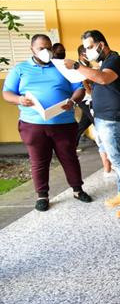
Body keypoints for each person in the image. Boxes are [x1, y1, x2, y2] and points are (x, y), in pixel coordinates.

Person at [2, 34, 92, 211]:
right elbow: (7, 93)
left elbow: (79, 89)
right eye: (41, 48)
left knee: (69, 157)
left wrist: (73, 101)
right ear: (32, 49)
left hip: (63, 123)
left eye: (49, 48)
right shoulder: (20, 69)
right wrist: (20, 100)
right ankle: (42, 195)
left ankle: (77, 189)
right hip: (33, 124)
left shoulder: (62, 66)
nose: (46, 51)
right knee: (38, 160)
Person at [63, 30, 120, 219]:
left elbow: (103, 78)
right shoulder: (104, 63)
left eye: (90, 47)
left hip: (113, 119)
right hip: (107, 118)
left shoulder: (115, 61)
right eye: (85, 48)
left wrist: (76, 66)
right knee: (119, 157)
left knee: (118, 159)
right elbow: (96, 83)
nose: (88, 51)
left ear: (101, 44)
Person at [74, 45, 114, 179]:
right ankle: (107, 162)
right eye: (85, 53)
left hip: (91, 100)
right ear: (81, 55)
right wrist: (92, 92)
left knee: (83, 124)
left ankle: (73, 144)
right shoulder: (78, 67)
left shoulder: (88, 65)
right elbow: (85, 83)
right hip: (86, 99)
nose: (88, 55)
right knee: (98, 125)